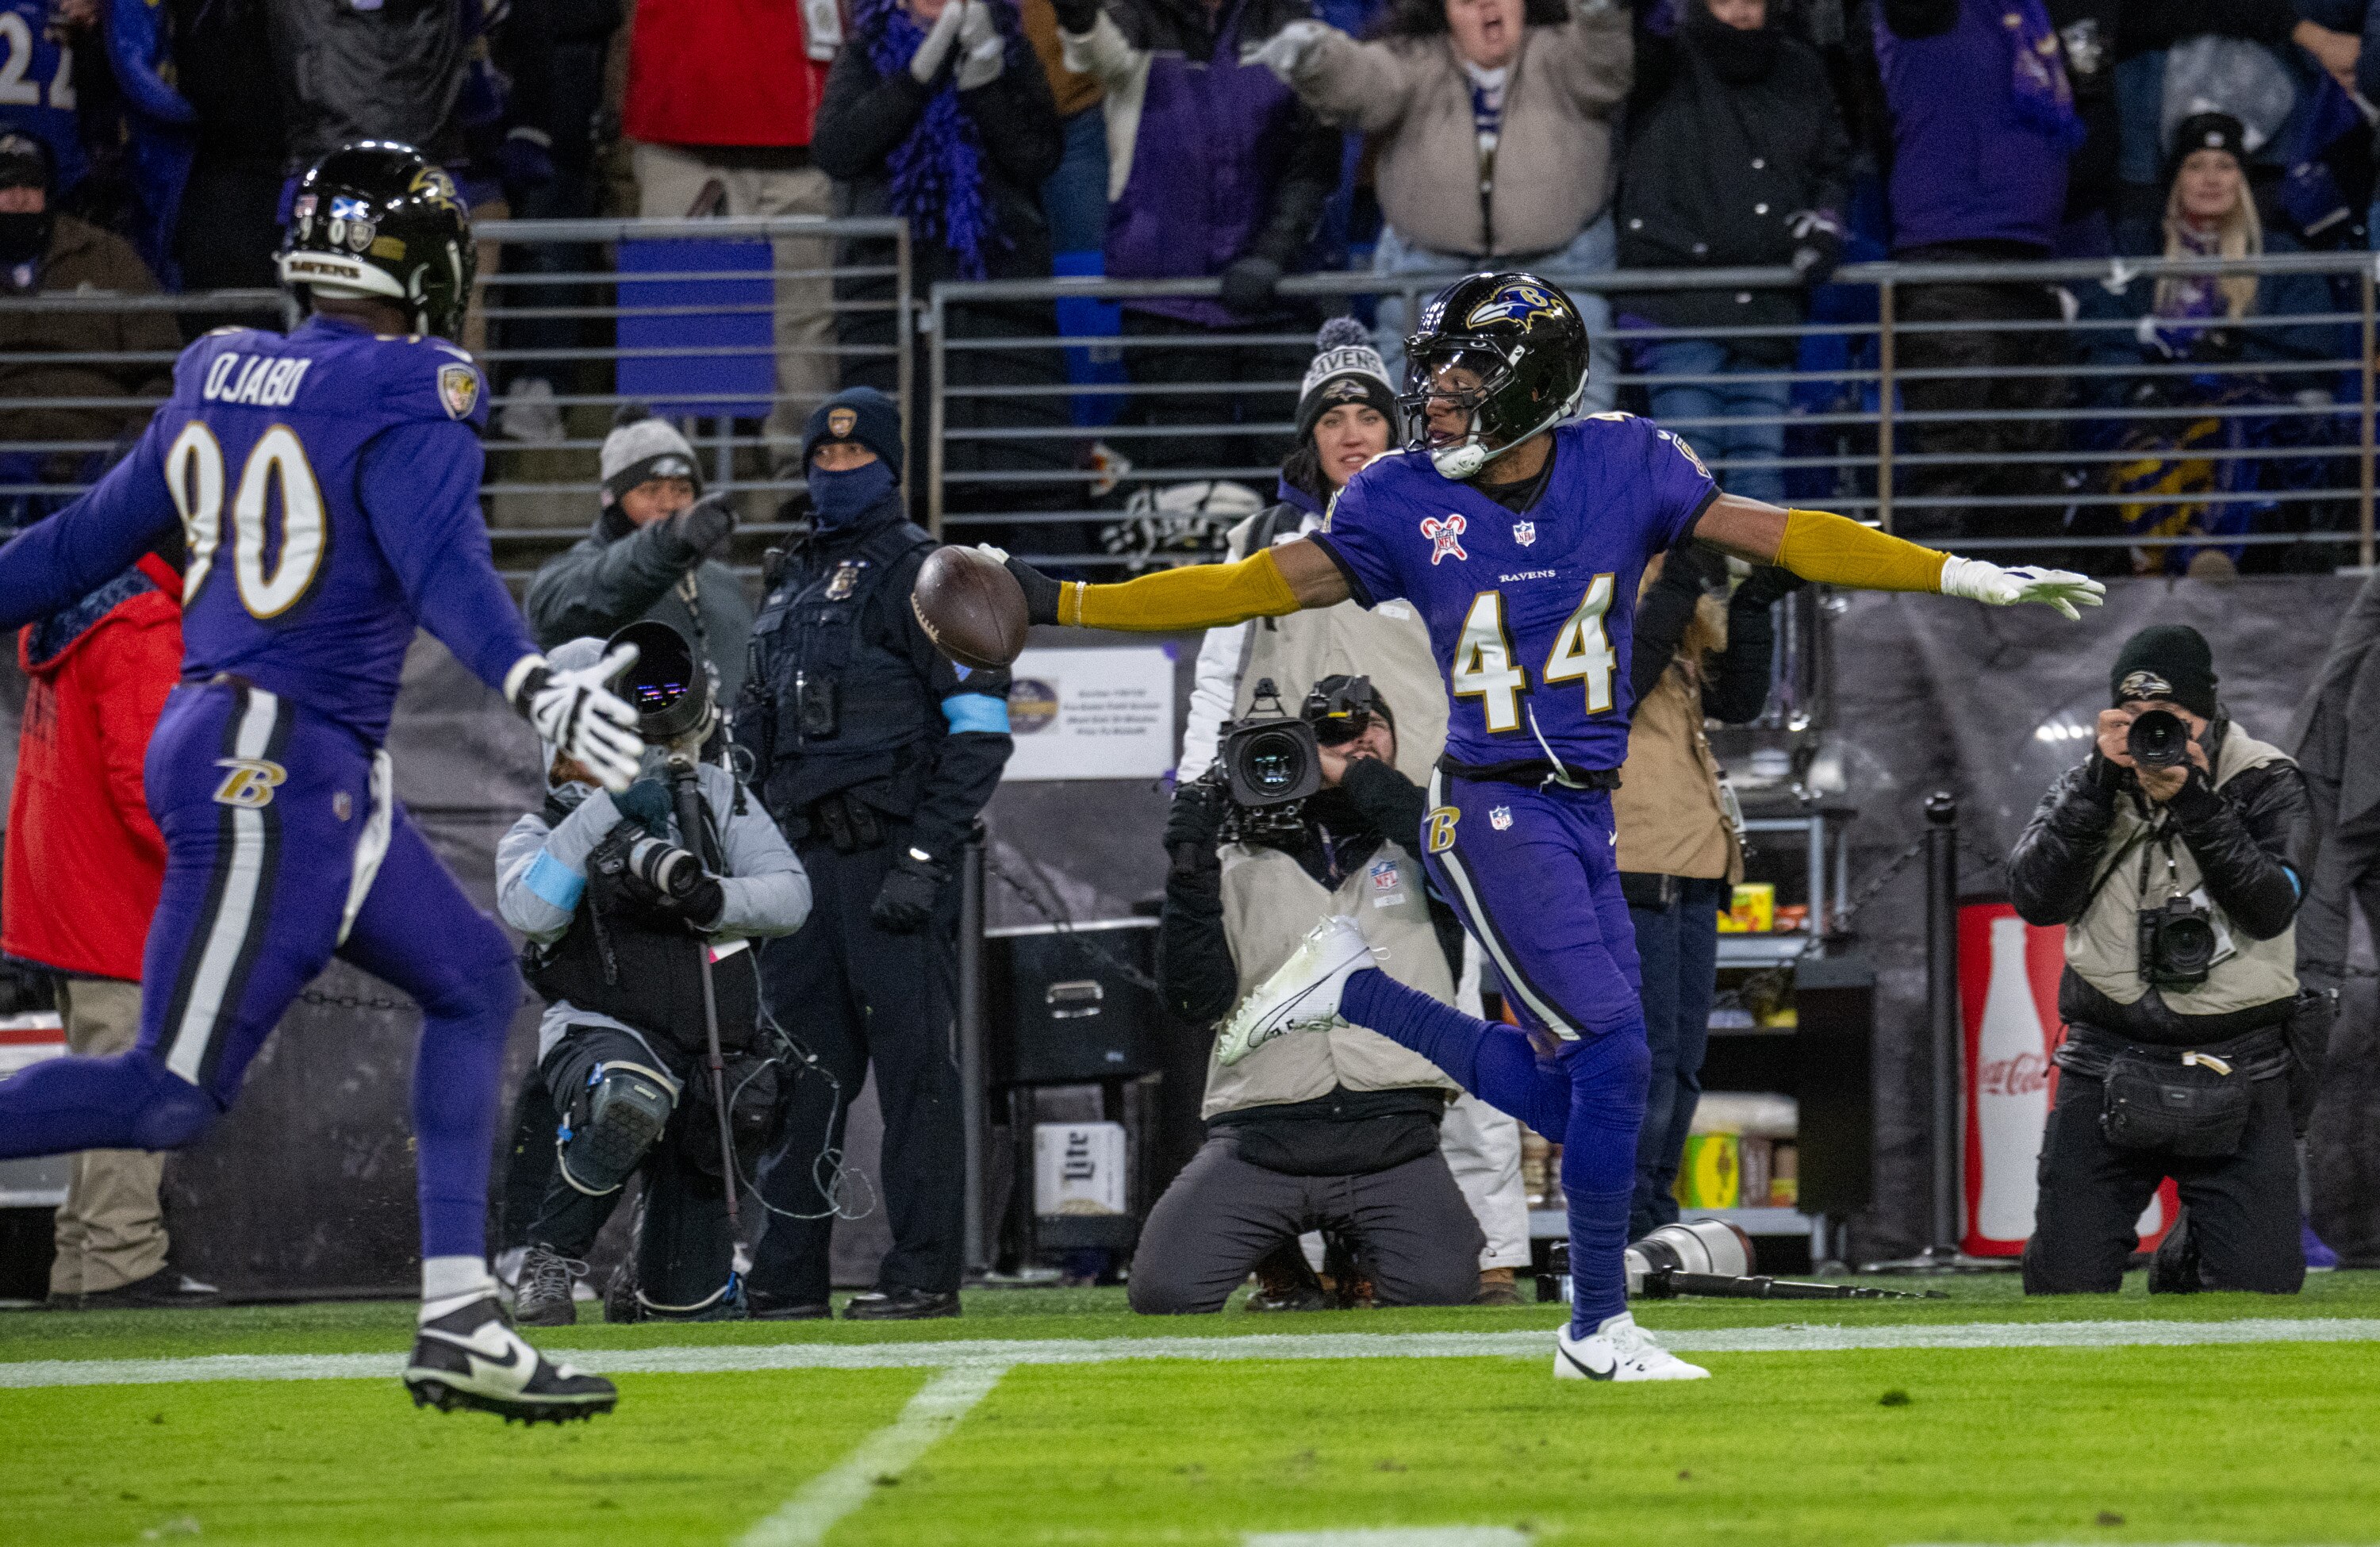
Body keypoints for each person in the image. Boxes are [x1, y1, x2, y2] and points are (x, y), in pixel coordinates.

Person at [989, 270, 2102, 1380]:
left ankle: (1357, 995)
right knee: (1614, 1055)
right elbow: (1244, 587)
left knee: (1593, 1086)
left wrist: (1965, 574)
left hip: (1584, 808)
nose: (1435, 398)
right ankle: (1596, 1328)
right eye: (1433, 374)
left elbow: (1789, 535)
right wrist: (1064, 601)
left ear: (1534, 384)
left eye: (1463, 375)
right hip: (1491, 805)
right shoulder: (1398, 498)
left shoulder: (1628, 462)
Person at [0, 142, 648, 1422]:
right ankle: (459, 1317)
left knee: (472, 979)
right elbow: (442, 565)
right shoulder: (417, 383)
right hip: (276, 755)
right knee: (168, 1094)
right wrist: (533, 682)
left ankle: (460, 1318)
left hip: (285, 747)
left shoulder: (218, 368)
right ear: (428, 264)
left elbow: (74, 545)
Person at [1176, 316, 1528, 1300]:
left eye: (1368, 413)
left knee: (1454, 1030)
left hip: (1418, 822)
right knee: (1291, 1040)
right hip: (1285, 831)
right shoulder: (1259, 543)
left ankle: (1493, 1250)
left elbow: (1484, 668)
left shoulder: (1448, 523)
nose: (1351, 432)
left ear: (1397, 426)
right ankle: (1333, 1261)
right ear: (1310, 437)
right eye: (1331, 419)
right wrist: (1198, 796)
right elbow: (1217, 680)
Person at [736, 386, 1015, 1320]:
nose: (838, 470)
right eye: (825, 456)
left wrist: (926, 861)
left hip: (892, 860)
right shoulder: (789, 579)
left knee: (916, 1082)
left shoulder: (936, 576)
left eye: (856, 458)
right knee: (797, 1083)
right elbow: (755, 730)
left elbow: (980, 730)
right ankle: (784, 1281)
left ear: (891, 466)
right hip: (800, 871)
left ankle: (923, 1277)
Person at [1139, 676, 1484, 1313]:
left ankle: (1357, 1250)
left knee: (1440, 1291)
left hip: (1392, 1139)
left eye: (1373, 725)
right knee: (1166, 1293)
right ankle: (1282, 1260)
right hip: (1263, 1139)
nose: (1358, 740)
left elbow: (1452, 848)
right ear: (1296, 749)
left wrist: (1349, 772)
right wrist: (1189, 869)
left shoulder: (1428, 846)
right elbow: (1193, 1002)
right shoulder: (1237, 859)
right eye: (1332, 733)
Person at [500, 630, 810, 1325]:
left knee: (684, 1308)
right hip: (601, 1030)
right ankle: (550, 1260)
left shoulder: (711, 793)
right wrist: (608, 808)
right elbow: (533, 911)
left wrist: (714, 899)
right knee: (630, 1097)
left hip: (712, 1049)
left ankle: (649, 1268)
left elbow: (792, 897)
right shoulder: (536, 831)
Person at [2008, 625, 2313, 1295]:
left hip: (2238, 1059)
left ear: (2208, 714)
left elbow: (2271, 908)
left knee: (2260, 1295)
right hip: (2106, 1054)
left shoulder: (2267, 780)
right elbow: (2035, 899)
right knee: (2062, 1288)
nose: (2156, 733)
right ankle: (2185, 1237)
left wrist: (2196, 802)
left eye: (2173, 717)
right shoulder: (2089, 783)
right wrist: (2097, 787)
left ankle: (2191, 1245)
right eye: (2137, 715)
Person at [1, 522, 211, 1309]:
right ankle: (124, 1261)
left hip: (65, 896)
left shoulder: (87, 609)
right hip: (120, 901)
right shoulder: (144, 625)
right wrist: (224, 863)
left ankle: (82, 1263)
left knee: (96, 1081)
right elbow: (149, 787)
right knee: (133, 1081)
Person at [1246, 0, 1630, 399]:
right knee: (1426, 428)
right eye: (1466, 0)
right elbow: (1363, 78)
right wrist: (1315, 55)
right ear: (1443, 10)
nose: (1487, 5)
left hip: (1560, 275)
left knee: (1573, 426)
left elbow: (1605, 63)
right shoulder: (1412, 58)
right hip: (1427, 277)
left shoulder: (1567, 53)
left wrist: (1600, 12)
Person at [1053, 0, 1344, 478]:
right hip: (1166, 303)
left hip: (1279, 298)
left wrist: (1272, 255)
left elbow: (1315, 159)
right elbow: (1094, 49)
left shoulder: (1290, 19)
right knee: (1184, 476)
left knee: (1295, 475)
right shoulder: (1135, 18)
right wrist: (1076, 12)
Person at [811, 0, 1074, 512]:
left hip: (999, 299)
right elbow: (837, 150)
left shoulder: (1009, 48)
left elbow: (1038, 156)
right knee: (896, 474)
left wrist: (987, 81)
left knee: (1015, 477)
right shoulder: (866, 49)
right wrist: (914, 80)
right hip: (890, 299)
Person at [1612, 546, 1795, 1240]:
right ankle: (1622, 1225)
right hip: (1632, 860)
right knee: (1645, 1059)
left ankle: (1656, 1219)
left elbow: (1737, 702)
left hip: (1693, 858)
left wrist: (1753, 604)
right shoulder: (1591, 595)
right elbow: (1623, 679)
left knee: (1682, 1063)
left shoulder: (1669, 606)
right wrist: (1685, 566)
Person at [2071, 112, 2344, 573]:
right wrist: (2140, 386)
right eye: (2196, 165)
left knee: (2230, 421)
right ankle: (2160, 565)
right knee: (2145, 447)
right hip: (2159, 412)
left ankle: (2204, 556)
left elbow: (2312, 350)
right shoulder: (2138, 252)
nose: (2211, 179)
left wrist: (2235, 356)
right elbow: (2102, 338)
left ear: (2242, 179)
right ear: (2176, 179)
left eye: (2225, 166)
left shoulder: (2280, 256)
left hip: (2253, 417)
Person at [1612, 0, 1849, 508]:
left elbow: (1831, 165)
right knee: (1688, 483)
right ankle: (1690, 565)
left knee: (1756, 482)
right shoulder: (1659, 58)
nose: (1741, 9)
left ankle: (1732, 566)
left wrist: (1825, 225)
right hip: (1680, 307)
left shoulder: (1800, 67)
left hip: (1768, 304)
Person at [1872, 0, 2081, 546]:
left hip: (2032, 256)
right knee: (1956, 459)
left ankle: (2031, 597)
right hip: (1948, 257)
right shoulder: (1931, 12)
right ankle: (1932, 600)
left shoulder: (2028, 15)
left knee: (2032, 466)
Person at [623, 0, 840, 472]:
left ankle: (800, 471)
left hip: (797, 132)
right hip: (683, 121)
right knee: (673, 314)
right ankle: (658, 472)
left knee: (801, 319)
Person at [0, 133, 180, 532]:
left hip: (96, 453)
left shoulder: (109, 256)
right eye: (5, 185)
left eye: (31, 184)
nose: (19, 198)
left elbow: (163, 370)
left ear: (50, 190)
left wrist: (131, 447)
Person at [524, 408, 753, 704]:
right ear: (613, 500)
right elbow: (571, 605)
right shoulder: (567, 579)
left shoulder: (726, 582)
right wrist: (665, 544)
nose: (669, 504)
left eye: (682, 489)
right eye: (650, 489)